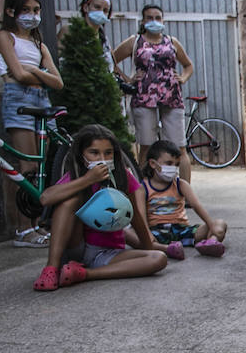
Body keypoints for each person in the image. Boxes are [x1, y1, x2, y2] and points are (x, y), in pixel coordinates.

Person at [32, 124, 169, 291]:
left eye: (108, 153)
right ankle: (51, 269)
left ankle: (84, 273)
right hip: (78, 245)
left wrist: (147, 247)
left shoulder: (123, 176)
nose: (102, 158)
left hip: (108, 253)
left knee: (158, 258)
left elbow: (134, 215)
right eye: (94, 153)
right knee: (69, 201)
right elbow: (46, 198)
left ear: (115, 154)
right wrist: (88, 180)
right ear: (82, 154)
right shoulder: (78, 175)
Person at [0, 0, 63, 248]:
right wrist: (38, 73)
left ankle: (35, 224)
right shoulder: (4, 37)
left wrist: (33, 69)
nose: (32, 16)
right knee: (28, 167)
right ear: (11, 11)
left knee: (41, 169)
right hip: (18, 99)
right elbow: (17, 76)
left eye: (36, 11)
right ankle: (23, 229)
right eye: (26, 10)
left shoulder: (39, 44)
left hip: (42, 100)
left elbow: (57, 82)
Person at [113, 5, 195, 180]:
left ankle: (184, 191)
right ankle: (144, 190)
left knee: (179, 147)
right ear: (143, 21)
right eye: (149, 18)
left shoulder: (172, 42)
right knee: (146, 146)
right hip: (144, 97)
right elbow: (111, 59)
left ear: (163, 20)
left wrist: (183, 78)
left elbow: (188, 65)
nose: (154, 21)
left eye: (158, 18)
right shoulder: (135, 42)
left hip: (171, 97)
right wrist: (127, 79)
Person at [136, 140, 227, 257]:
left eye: (176, 164)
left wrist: (212, 227)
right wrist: (147, 234)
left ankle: (210, 243)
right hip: (156, 232)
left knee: (220, 223)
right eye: (169, 163)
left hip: (182, 230)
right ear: (153, 164)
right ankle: (167, 249)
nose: (173, 168)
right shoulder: (142, 188)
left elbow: (196, 206)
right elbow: (140, 215)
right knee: (132, 235)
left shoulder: (181, 184)